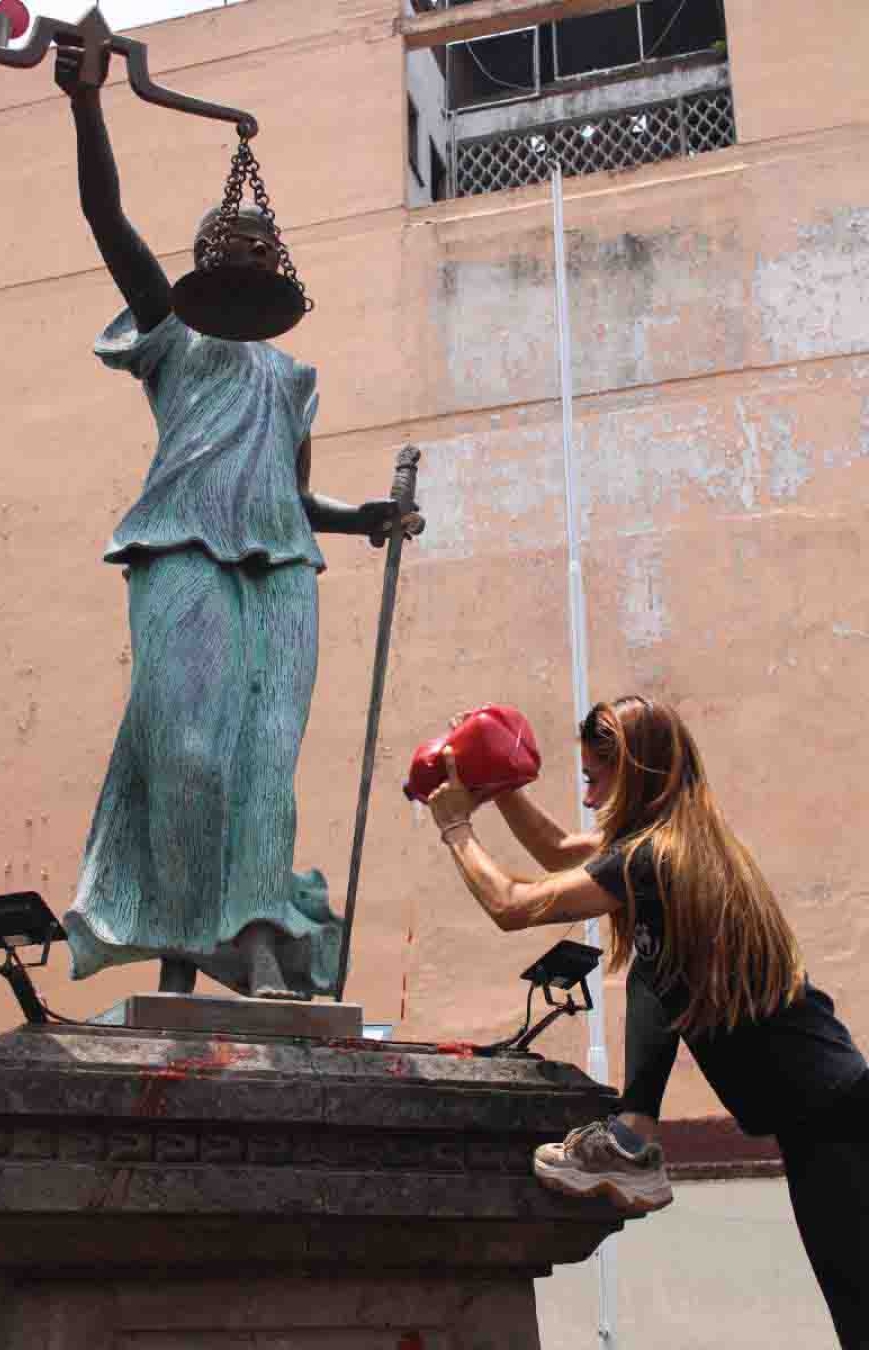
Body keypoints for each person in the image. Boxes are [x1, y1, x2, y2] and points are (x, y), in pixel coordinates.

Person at [55, 47, 421, 1000]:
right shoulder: (170, 334)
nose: (253, 248)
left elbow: (294, 498)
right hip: (178, 546)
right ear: (209, 255)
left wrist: (363, 516)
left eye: (266, 242)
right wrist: (87, 105)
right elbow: (107, 218)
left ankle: (256, 943)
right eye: (237, 239)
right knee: (185, 748)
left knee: (266, 765)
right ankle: (181, 947)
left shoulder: (293, 381)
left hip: (284, 567)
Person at [426, 696, 868, 1348]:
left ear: (630, 771)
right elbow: (555, 851)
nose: (587, 792)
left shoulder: (656, 861)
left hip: (839, 1119)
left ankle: (633, 1139)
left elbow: (513, 904)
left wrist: (456, 828)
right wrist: (501, 785)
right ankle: (634, 1134)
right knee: (647, 958)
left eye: (594, 777)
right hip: (819, 1116)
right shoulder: (674, 847)